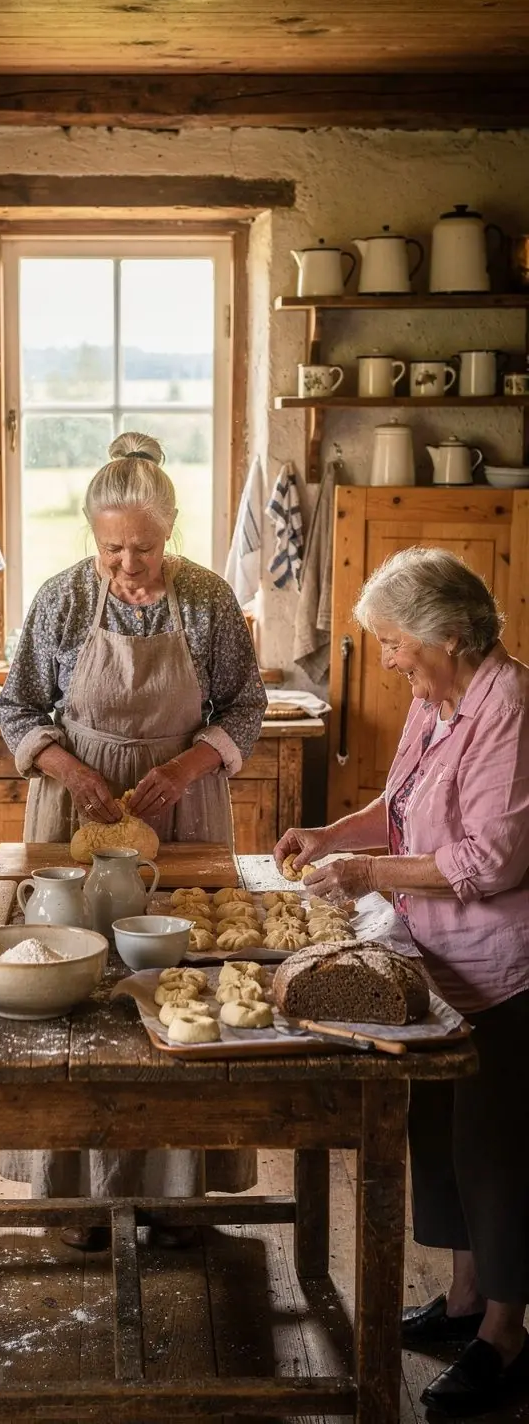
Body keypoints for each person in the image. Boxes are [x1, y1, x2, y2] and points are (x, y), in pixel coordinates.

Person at [275, 547, 529, 1421]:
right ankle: (463, 1299)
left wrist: (369, 876)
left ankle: (504, 1333)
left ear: (450, 635)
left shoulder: (510, 708)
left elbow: (489, 861)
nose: (385, 660)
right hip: (431, 952)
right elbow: (399, 808)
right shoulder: (435, 699)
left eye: (392, 642)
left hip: (501, 968)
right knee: (441, 1130)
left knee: (497, 1150)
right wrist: (328, 832)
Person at [0, 432, 266, 1250]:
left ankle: (178, 1195)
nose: (128, 566)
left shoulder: (211, 601)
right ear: (93, 537)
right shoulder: (60, 601)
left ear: (171, 529)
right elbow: (18, 708)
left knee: (175, 982)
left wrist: (185, 769)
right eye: (111, 548)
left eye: (143, 548)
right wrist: (71, 773)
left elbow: (245, 708)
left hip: (183, 811)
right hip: (78, 812)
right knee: (76, 986)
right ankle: (76, 1197)